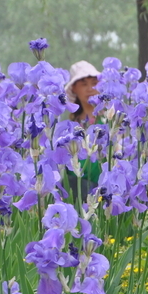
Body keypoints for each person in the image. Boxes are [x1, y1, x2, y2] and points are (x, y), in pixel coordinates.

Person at [65, 60, 103, 199]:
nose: (90, 89)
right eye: (84, 84)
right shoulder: (70, 126)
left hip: (102, 191)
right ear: (74, 88)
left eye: (94, 83)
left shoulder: (109, 121)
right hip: (75, 191)